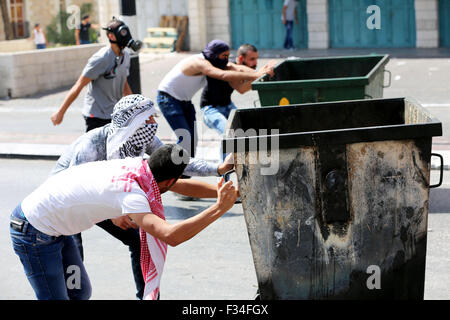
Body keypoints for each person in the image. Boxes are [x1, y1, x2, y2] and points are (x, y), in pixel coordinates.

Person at [51, 94, 234, 299]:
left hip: (109, 196)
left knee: (139, 240)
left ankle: (146, 296)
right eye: (149, 119)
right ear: (133, 121)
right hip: (67, 205)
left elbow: (176, 164)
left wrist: (218, 168)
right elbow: (76, 190)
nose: (154, 125)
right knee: (74, 259)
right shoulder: (92, 145)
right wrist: (113, 214)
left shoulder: (142, 137)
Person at [10, 144, 238, 300]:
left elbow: (181, 185)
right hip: (34, 232)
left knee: (79, 292)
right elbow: (171, 235)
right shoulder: (133, 192)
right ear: (168, 180)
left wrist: (235, 194)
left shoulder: (139, 167)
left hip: (54, 228)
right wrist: (219, 208)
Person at [156, 39, 275, 158]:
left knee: (193, 140)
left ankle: (187, 172)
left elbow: (236, 68)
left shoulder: (215, 61)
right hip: (168, 98)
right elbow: (222, 75)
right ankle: (174, 169)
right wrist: (256, 75)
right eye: (224, 55)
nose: (226, 59)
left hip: (185, 101)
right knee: (186, 138)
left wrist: (262, 72)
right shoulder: (200, 62)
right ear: (214, 54)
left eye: (228, 56)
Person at [51, 18, 134, 132]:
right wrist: (61, 112)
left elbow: (124, 84)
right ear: (111, 36)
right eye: (122, 33)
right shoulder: (101, 59)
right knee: (96, 149)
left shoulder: (126, 57)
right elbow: (79, 85)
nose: (125, 36)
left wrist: (136, 108)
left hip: (114, 115)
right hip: (96, 116)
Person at [200, 44, 262, 141]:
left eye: (256, 59)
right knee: (229, 134)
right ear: (241, 58)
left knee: (245, 129)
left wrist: (258, 76)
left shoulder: (242, 70)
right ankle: (226, 156)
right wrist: (258, 76)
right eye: (252, 59)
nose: (255, 62)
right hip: (210, 109)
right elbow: (241, 89)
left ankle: (238, 155)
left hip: (227, 106)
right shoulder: (228, 67)